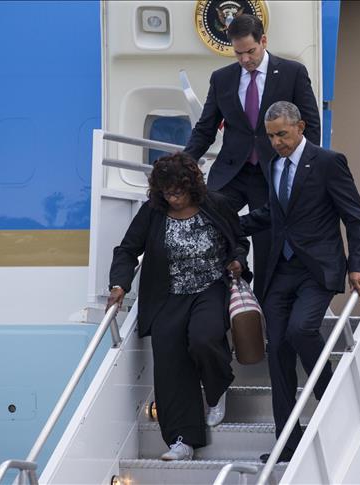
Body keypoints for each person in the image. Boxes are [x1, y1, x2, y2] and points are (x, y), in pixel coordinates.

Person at [239, 101, 360, 463]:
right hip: (281, 270)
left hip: (318, 268)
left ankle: (330, 394)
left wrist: (357, 266)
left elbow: (354, 216)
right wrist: (231, 224)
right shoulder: (273, 165)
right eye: (270, 136)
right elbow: (274, 213)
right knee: (278, 351)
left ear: (300, 128)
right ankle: (287, 444)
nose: (276, 142)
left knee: (301, 330)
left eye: (282, 134)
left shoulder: (328, 162)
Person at [106, 152, 251, 461]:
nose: (173, 198)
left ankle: (216, 389)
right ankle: (182, 441)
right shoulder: (152, 212)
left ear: (191, 186)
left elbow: (239, 240)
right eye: (167, 192)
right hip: (167, 295)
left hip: (210, 288)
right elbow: (127, 249)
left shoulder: (216, 204)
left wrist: (238, 260)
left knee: (203, 338)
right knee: (170, 363)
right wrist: (119, 285)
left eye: (178, 192)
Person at [184, 13, 321, 301]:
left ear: (264, 41)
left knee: (268, 245)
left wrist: (305, 170)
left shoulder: (292, 73)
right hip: (233, 171)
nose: (245, 59)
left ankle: (263, 316)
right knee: (206, 219)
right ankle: (221, 293)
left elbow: (309, 125)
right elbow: (206, 128)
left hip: (273, 173)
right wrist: (183, 164)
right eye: (238, 53)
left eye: (251, 51)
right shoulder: (222, 78)